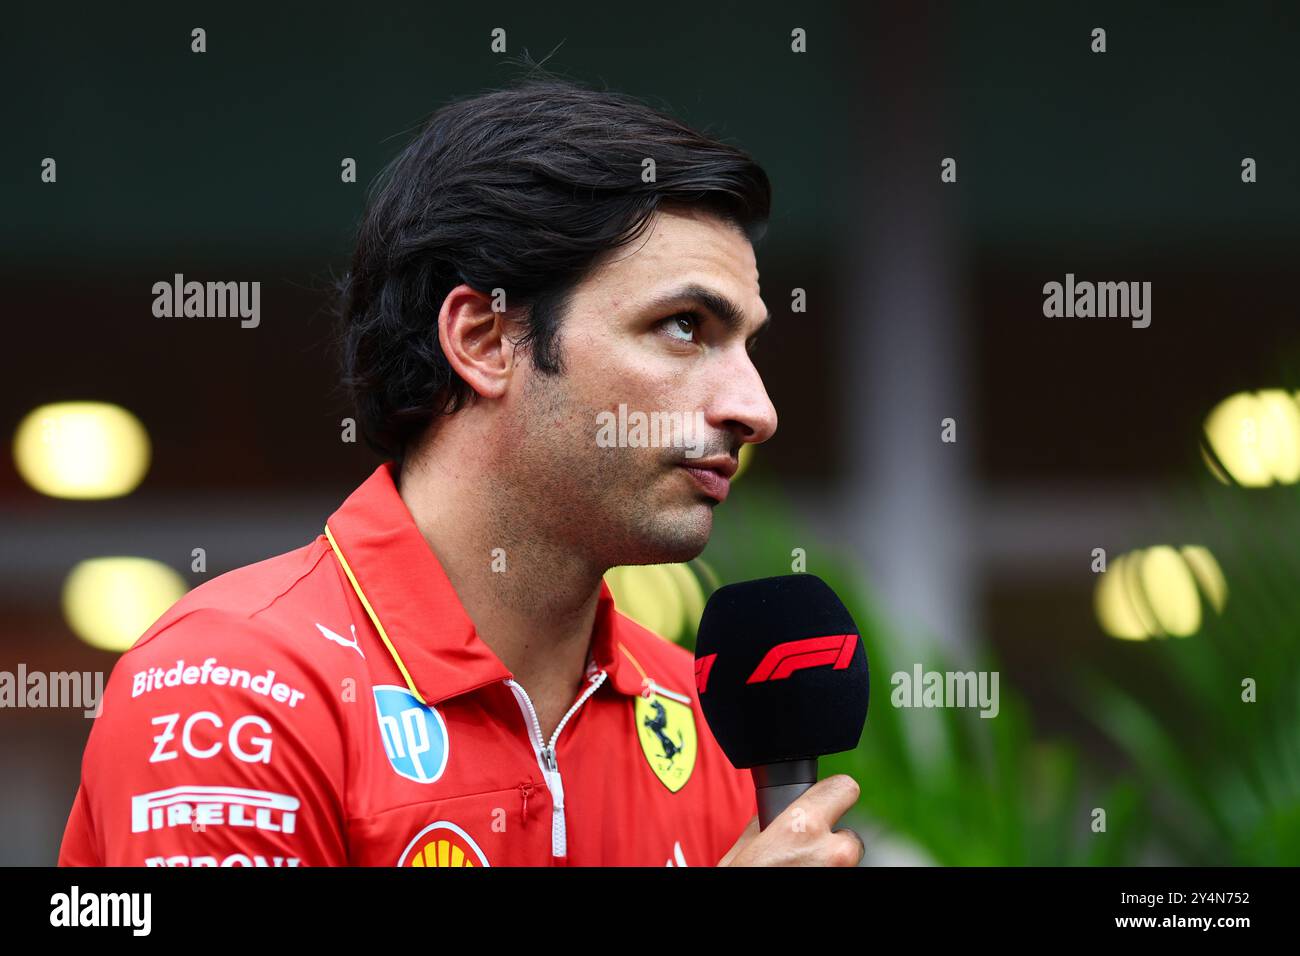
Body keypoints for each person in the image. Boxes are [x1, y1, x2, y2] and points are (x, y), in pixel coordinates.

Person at [58, 73, 864, 867]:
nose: (755, 409)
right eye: (684, 327)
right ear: (483, 340)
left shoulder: (696, 712)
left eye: (747, 344)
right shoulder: (232, 688)